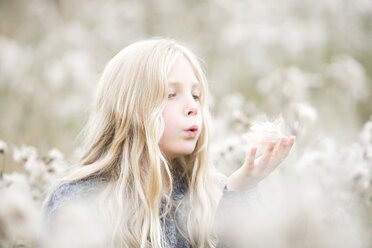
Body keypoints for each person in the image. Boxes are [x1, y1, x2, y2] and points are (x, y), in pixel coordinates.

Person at [40, 38, 295, 248]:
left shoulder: (212, 194)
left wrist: (240, 192)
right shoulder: (77, 200)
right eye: (171, 94)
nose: (192, 107)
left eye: (196, 95)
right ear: (126, 109)